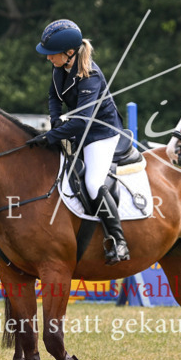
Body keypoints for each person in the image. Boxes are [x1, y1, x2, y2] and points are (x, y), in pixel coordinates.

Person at [29, 19, 129, 264]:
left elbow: (83, 121)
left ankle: (119, 241)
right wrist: (54, 122)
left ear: (69, 52)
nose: (48, 58)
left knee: (93, 183)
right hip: (76, 129)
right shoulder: (59, 68)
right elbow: (53, 97)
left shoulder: (90, 76)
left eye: (52, 54)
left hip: (100, 133)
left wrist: (52, 136)